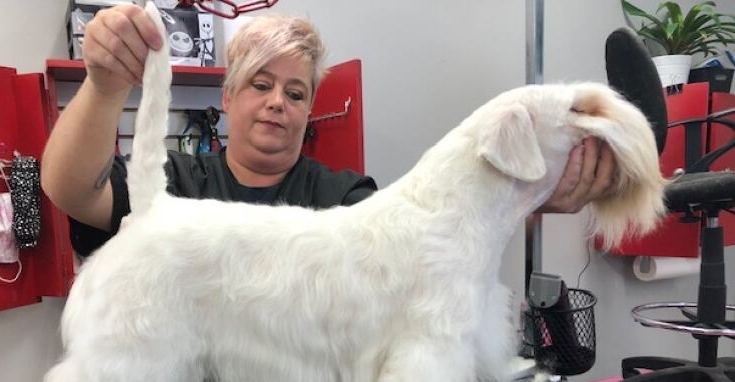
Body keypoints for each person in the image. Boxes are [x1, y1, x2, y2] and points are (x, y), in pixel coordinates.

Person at [41, 4, 616, 257]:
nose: (276, 104)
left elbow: (426, 250)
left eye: (295, 94)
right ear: (228, 97)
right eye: (260, 86)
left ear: (311, 110)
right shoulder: (173, 184)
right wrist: (106, 84)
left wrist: (525, 197)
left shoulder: (344, 197)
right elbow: (71, 190)